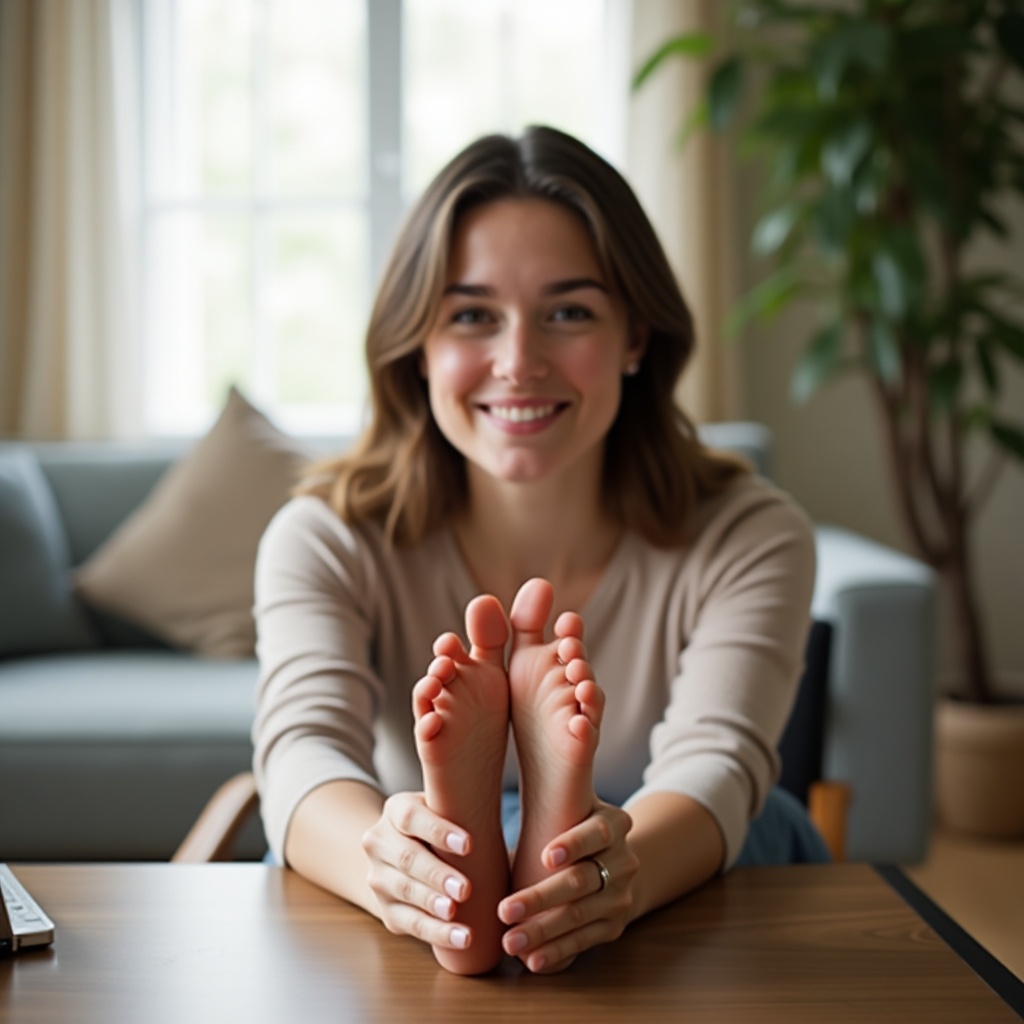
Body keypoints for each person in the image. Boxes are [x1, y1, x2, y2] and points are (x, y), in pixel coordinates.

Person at [252, 125, 823, 977]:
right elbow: (303, 753)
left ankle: (542, 838)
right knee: (345, 832)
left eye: (568, 312)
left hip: (665, 875)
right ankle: (471, 860)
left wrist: (596, 865)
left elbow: (718, 766)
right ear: (417, 346)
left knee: (764, 813)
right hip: (424, 873)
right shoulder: (324, 535)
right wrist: (402, 869)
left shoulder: (749, 534)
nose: (518, 363)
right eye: (473, 315)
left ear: (636, 337)